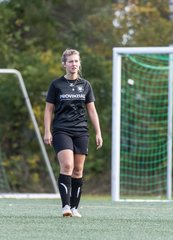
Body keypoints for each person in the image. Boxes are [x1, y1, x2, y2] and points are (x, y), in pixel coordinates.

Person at [43, 48, 103, 217]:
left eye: (76, 61)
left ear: (79, 63)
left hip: (81, 131)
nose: (74, 64)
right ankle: (65, 207)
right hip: (61, 130)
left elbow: (92, 110)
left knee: (78, 170)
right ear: (64, 64)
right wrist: (47, 131)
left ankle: (75, 207)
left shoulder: (85, 85)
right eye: (70, 61)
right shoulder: (56, 85)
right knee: (67, 165)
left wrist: (98, 132)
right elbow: (48, 110)